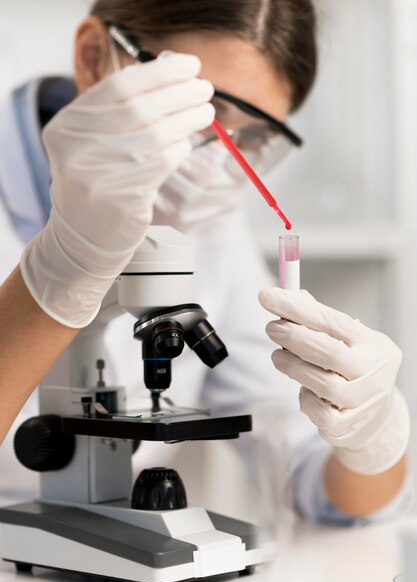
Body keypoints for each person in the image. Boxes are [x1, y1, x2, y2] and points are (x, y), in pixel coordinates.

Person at [0, 0, 411, 522]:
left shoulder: (208, 224)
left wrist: (373, 437)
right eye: (204, 115)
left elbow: (316, 480)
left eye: (255, 138)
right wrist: (67, 265)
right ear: (93, 59)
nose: (219, 161)